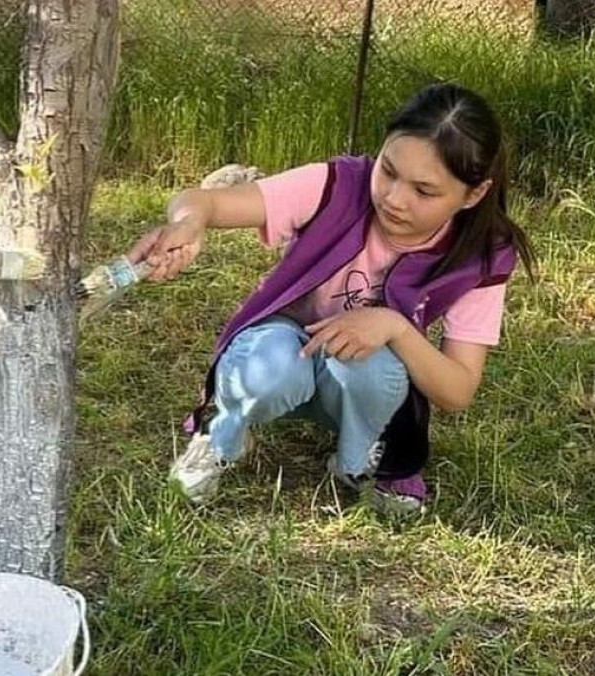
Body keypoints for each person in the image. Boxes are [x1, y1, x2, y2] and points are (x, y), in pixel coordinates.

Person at [128, 83, 535, 515]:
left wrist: (393, 326)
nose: (394, 199)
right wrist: (189, 223)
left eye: (424, 191)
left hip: (360, 379)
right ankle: (224, 434)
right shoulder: (338, 184)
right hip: (282, 355)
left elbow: (458, 390)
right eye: (389, 170)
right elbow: (204, 202)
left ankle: (356, 460)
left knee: (376, 367)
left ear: (474, 194)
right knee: (268, 367)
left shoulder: (482, 255)